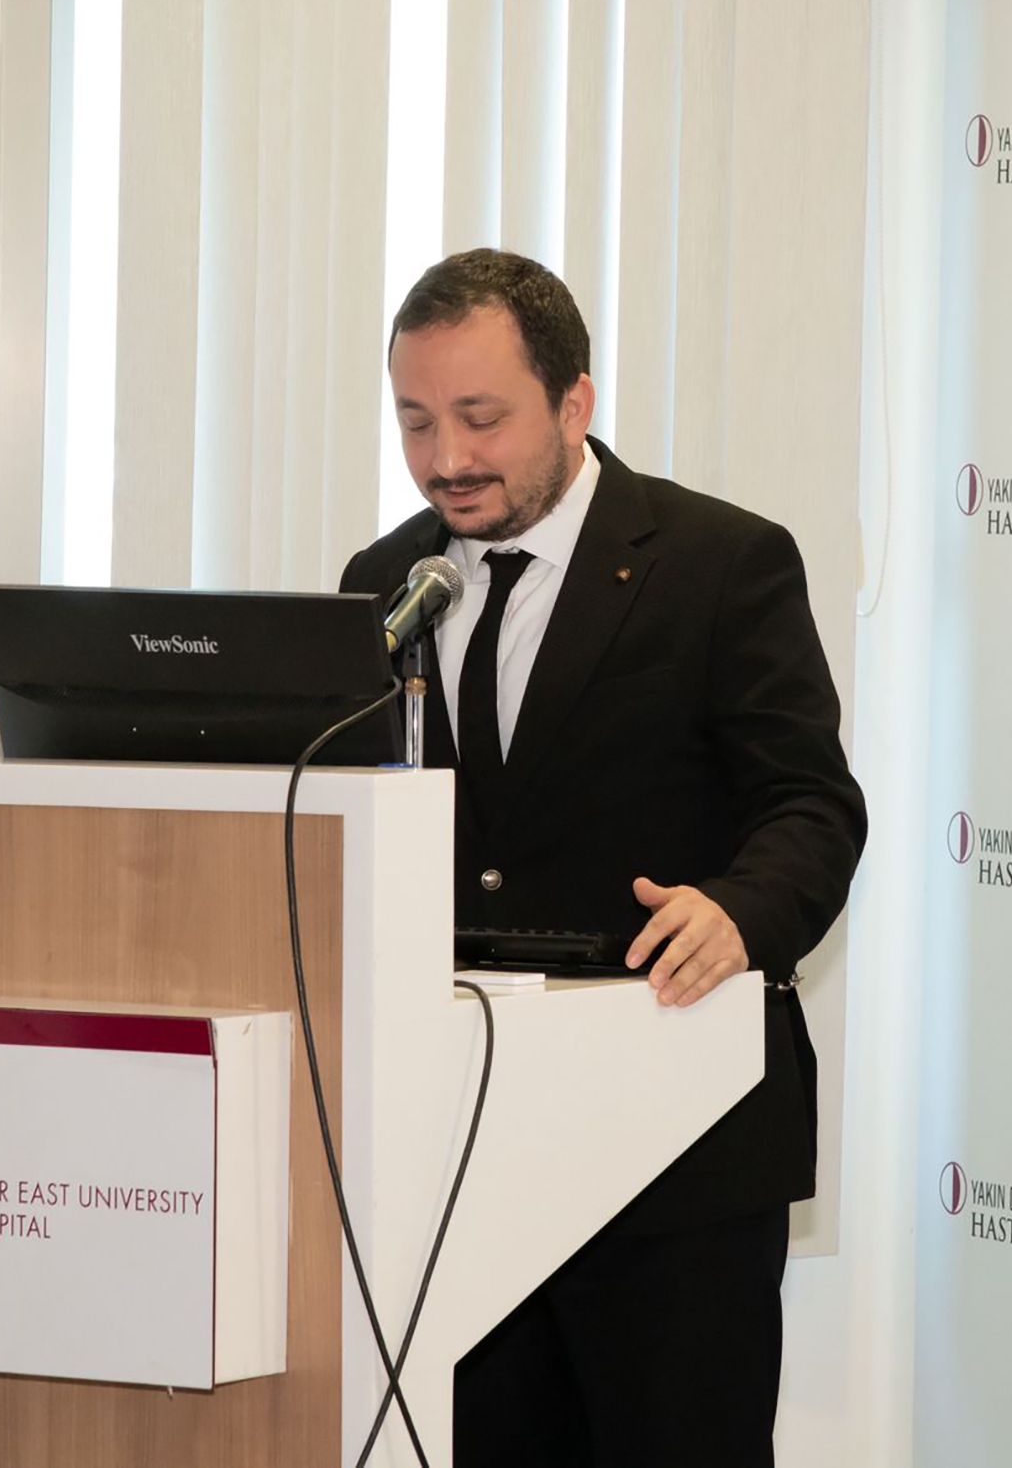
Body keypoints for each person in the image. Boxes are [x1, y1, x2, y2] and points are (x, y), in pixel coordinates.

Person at [338, 248, 867, 1467]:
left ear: (574, 402)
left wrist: (739, 911)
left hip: (673, 1147)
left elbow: (812, 806)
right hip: (460, 1153)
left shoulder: (719, 563)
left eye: (481, 418)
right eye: (415, 421)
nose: (445, 459)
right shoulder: (387, 585)